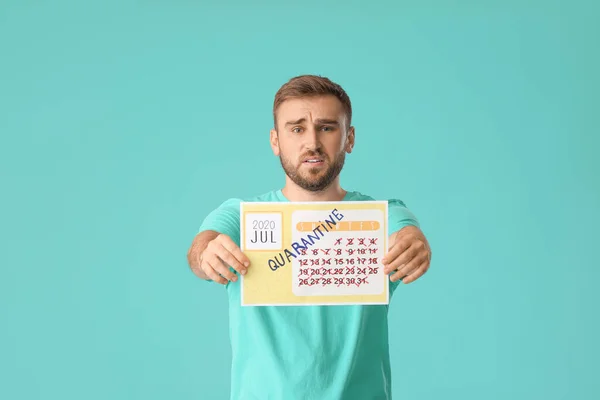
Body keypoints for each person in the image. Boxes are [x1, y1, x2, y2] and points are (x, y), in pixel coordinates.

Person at [187, 75, 432, 400]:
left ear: (350, 138)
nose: (312, 142)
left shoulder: (382, 215)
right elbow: (202, 248)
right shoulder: (240, 216)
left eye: (327, 127)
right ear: (276, 141)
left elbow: (407, 233)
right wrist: (207, 254)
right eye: (297, 129)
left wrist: (414, 242)